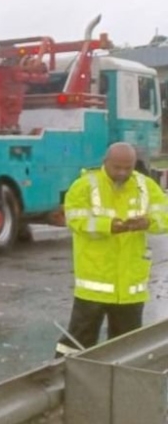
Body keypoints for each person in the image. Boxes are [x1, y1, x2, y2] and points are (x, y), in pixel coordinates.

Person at [54, 142, 168, 358]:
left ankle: (118, 380)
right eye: (117, 167)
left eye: (128, 168)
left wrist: (148, 222)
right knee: (77, 343)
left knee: (126, 348)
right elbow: (75, 220)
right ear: (105, 162)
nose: (122, 173)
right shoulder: (84, 186)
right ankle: (63, 376)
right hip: (94, 283)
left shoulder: (146, 186)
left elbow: (165, 216)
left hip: (130, 288)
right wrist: (108, 226)